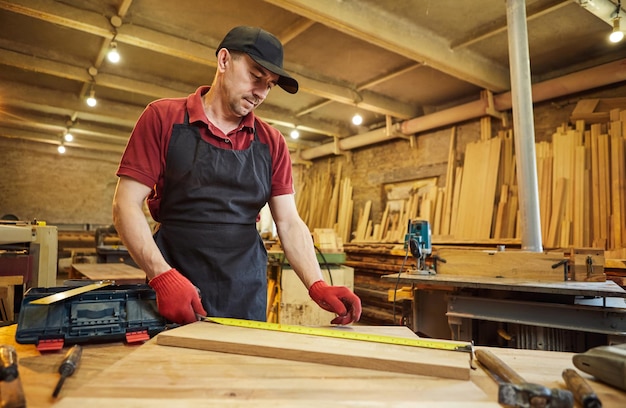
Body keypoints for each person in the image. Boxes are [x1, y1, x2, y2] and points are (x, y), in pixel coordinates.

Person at [112, 26, 361, 326]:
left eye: (269, 85)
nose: (261, 93)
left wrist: (316, 283)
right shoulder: (163, 118)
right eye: (256, 77)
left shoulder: (272, 143)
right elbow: (125, 204)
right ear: (224, 60)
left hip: (244, 289)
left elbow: (288, 221)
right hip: (175, 283)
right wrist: (161, 275)